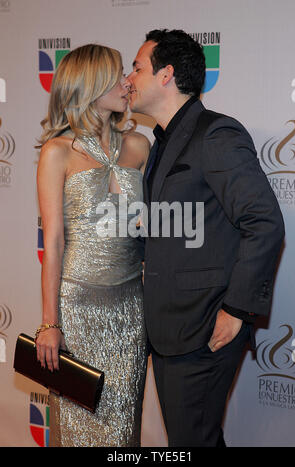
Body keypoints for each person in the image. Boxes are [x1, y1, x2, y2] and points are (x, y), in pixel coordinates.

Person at [127, 29, 285, 447]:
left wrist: (236, 309)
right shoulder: (160, 143)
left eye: (137, 67)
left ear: (166, 75)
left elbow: (264, 221)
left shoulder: (215, 134)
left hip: (203, 330)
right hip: (168, 328)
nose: (129, 78)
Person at [35, 43, 150, 447]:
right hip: (78, 308)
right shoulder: (57, 152)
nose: (127, 83)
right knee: (81, 427)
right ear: (90, 85)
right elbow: (53, 241)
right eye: (117, 76)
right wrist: (50, 324)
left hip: (132, 309)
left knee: (123, 431)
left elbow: (145, 230)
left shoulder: (139, 147)